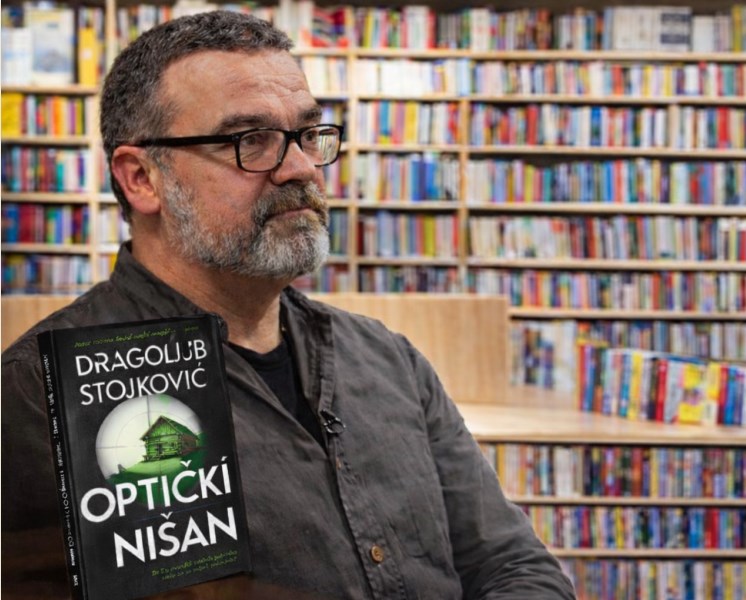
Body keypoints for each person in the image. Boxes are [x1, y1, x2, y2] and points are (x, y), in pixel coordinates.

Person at [1, 10, 576, 599]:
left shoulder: (387, 360)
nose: (301, 169)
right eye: (250, 141)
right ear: (142, 178)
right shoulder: (39, 395)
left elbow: (514, 567)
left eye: (306, 134)